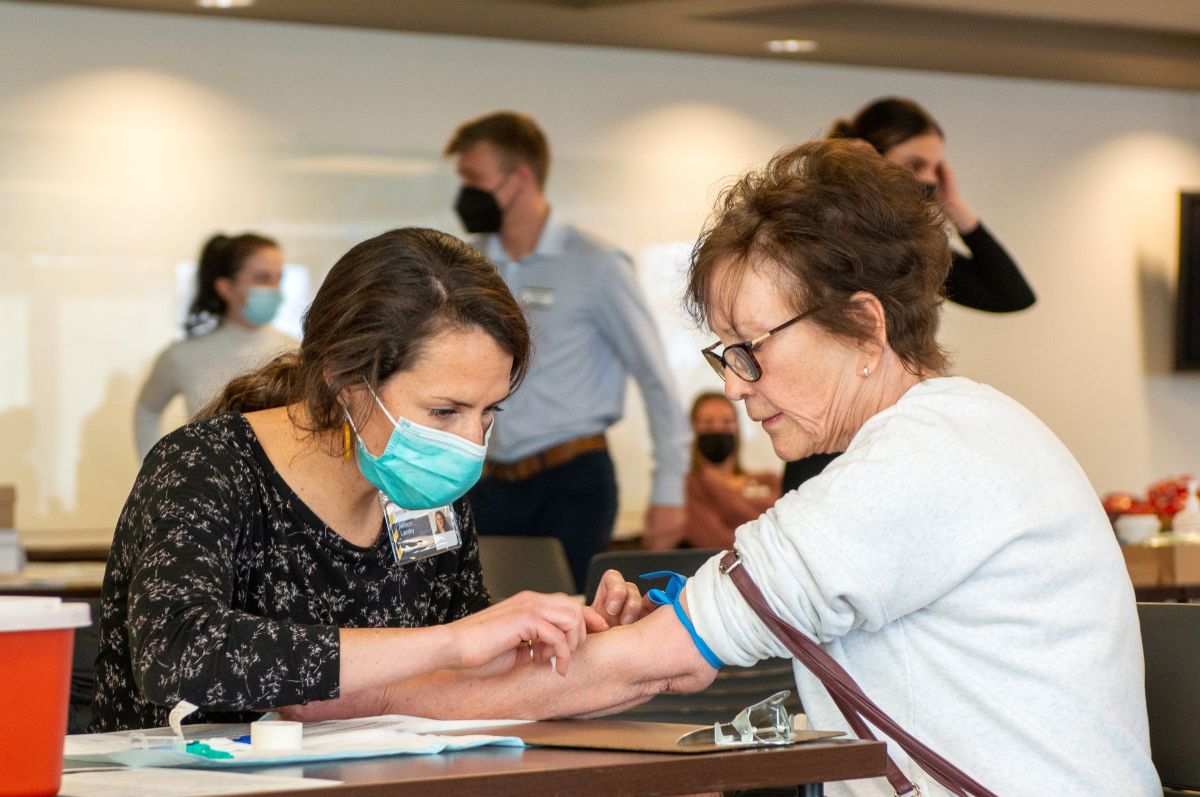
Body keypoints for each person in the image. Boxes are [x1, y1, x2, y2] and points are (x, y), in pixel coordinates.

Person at [91, 228, 644, 733]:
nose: (472, 442)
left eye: (489, 411)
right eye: (445, 411)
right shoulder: (205, 466)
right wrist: (449, 644)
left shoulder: (425, 494)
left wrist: (569, 641)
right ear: (344, 379)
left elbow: (468, 662)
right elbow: (178, 654)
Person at [444, 111, 690, 586]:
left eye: (474, 179)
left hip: (571, 481)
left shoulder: (595, 265)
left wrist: (668, 490)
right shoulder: (468, 264)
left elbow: (655, 379)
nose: (465, 193)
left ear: (519, 178)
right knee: (485, 620)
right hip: (484, 480)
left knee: (569, 625)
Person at [784, 96, 1038, 493]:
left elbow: (1011, 294)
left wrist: (953, 205)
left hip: (894, 434)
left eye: (936, 169)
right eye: (915, 165)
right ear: (869, 158)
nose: (928, 180)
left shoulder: (906, 253)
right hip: (832, 434)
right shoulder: (825, 236)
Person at [133, 233, 297, 459]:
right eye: (262, 278)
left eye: (279, 278)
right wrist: (154, 473)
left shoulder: (298, 354)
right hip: (207, 489)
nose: (274, 289)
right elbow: (147, 410)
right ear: (226, 288)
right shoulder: (182, 356)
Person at [681, 391, 781, 549]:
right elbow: (717, 541)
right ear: (693, 429)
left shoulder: (770, 479)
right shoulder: (688, 487)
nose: (718, 428)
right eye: (708, 422)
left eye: (727, 422)